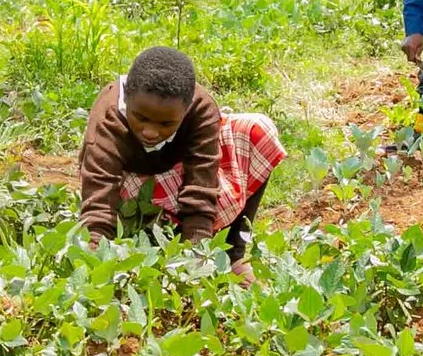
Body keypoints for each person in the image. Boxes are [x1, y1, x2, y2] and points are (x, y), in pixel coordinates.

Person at [77, 47, 284, 272]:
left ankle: (234, 253)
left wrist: (195, 261)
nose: (150, 132)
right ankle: (153, 237)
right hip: (131, 190)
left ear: (186, 110)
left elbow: (201, 186)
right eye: (140, 118)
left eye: (165, 124)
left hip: (180, 180)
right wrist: (96, 259)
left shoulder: (201, 108)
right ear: (127, 95)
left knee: (258, 130)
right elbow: (99, 202)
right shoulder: (108, 120)